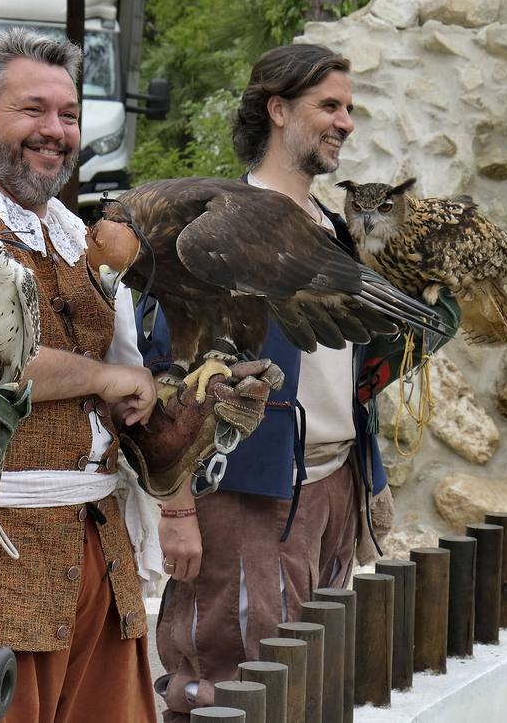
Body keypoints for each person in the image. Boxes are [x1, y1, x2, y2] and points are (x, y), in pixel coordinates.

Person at [0, 28, 276, 723]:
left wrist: (185, 417)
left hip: (99, 547)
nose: (55, 131)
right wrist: (105, 379)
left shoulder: (72, 233)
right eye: (33, 111)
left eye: (68, 115)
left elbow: (131, 384)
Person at [142, 44, 461, 719]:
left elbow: (346, 369)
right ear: (278, 109)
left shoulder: (334, 230)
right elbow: (167, 381)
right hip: (246, 492)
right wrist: (176, 509)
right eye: (329, 106)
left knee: (311, 686)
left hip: (332, 485)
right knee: (227, 685)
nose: (345, 122)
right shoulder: (212, 223)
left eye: (349, 108)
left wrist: (420, 326)